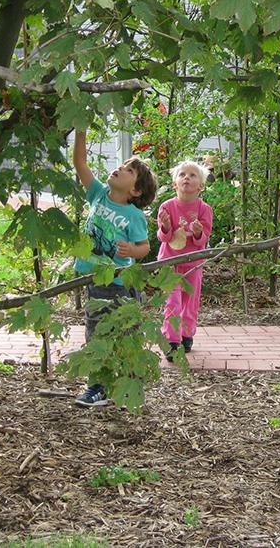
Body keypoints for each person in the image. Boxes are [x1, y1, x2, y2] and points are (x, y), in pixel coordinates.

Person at [71, 129, 157, 407]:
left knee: (118, 332)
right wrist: (81, 131)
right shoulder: (98, 194)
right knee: (95, 330)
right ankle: (99, 384)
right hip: (94, 279)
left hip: (118, 284)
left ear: (136, 190)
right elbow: (80, 165)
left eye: (129, 169)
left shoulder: (133, 215)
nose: (120, 168)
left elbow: (144, 246)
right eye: (122, 165)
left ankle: (122, 384)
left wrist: (132, 251)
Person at [157, 160, 213, 361]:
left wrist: (198, 233)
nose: (186, 178)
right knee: (172, 301)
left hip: (193, 263)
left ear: (201, 186)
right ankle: (172, 341)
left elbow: (204, 239)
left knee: (190, 301)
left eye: (192, 175)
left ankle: (186, 334)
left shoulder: (204, 209)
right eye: (182, 175)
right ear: (174, 184)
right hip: (170, 262)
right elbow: (163, 238)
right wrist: (164, 227)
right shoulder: (167, 206)